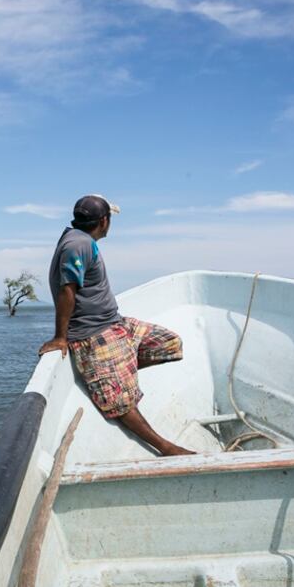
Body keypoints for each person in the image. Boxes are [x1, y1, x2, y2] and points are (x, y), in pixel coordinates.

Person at [38, 195, 193, 456]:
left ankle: (118, 373)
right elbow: (67, 290)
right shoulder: (78, 245)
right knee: (120, 402)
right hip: (93, 336)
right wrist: (60, 337)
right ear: (104, 221)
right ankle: (166, 447)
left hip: (115, 323)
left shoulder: (82, 240)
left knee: (170, 343)